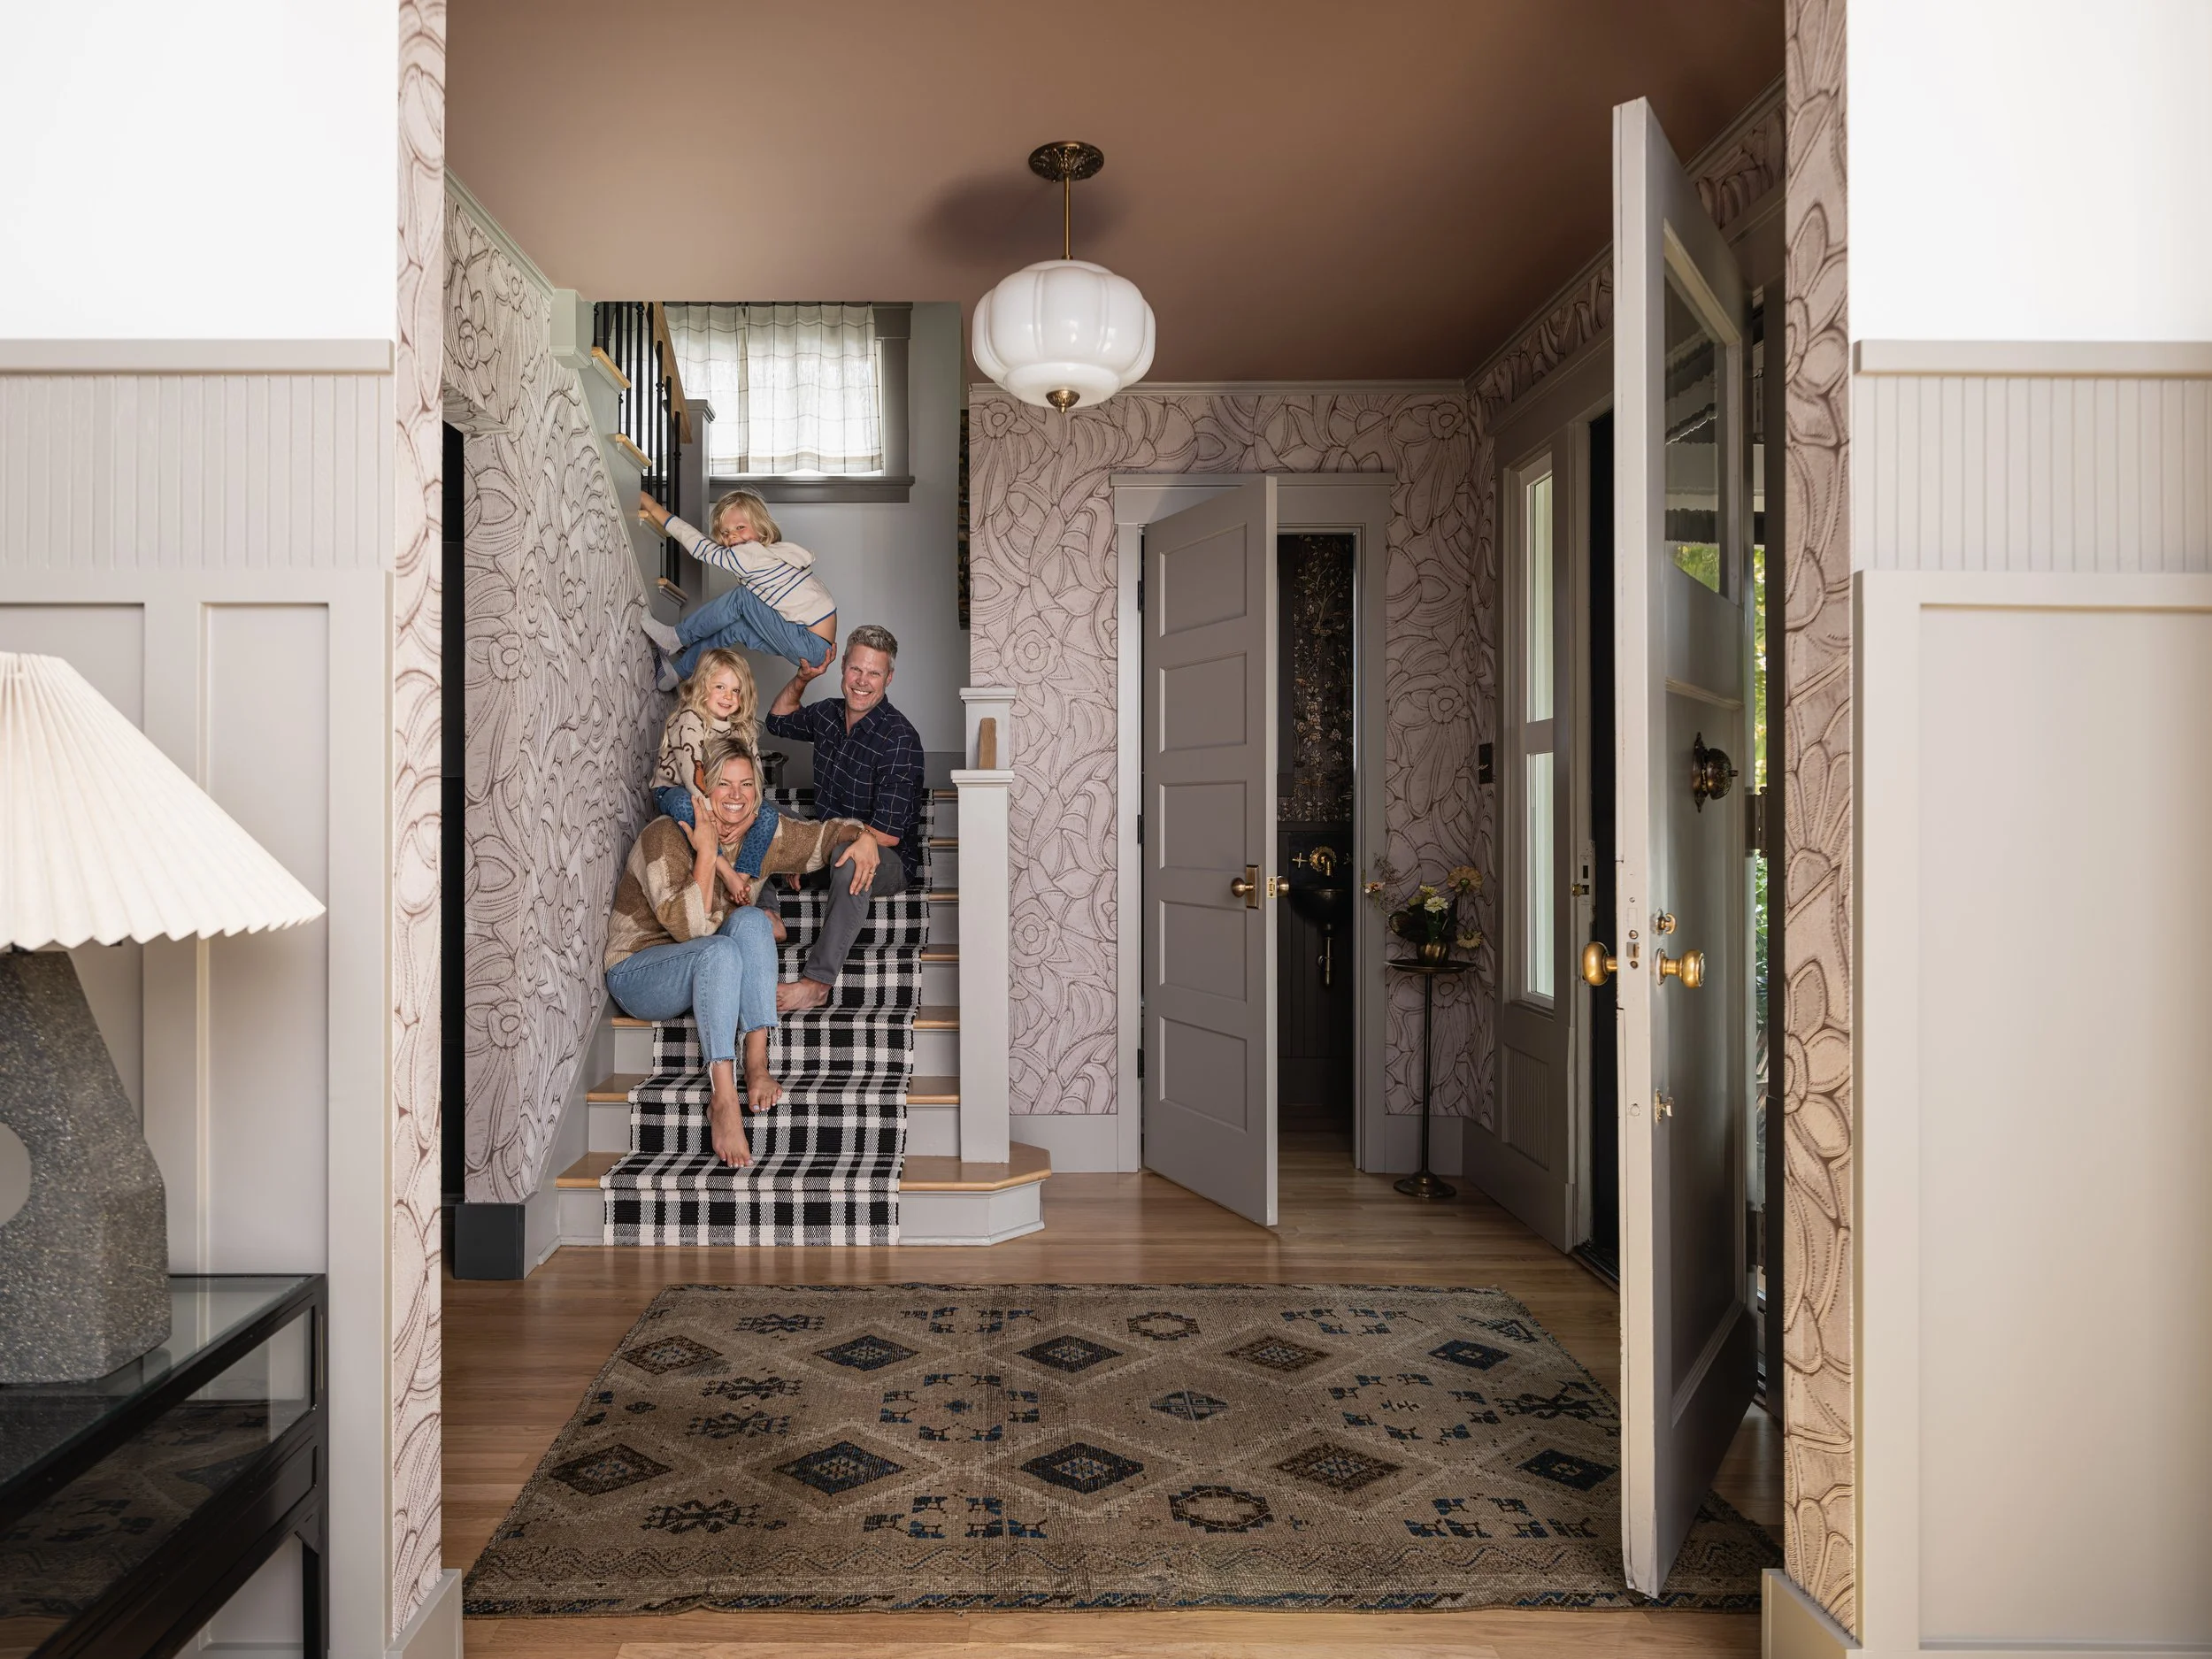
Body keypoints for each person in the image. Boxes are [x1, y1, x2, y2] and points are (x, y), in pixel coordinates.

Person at [603, 741, 881, 1166]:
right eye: (724, 785)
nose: (736, 795)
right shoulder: (662, 837)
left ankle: (756, 1061)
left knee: (751, 921)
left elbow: (821, 837)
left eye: (746, 784)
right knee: (718, 950)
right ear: (704, 792)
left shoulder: (758, 836)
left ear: (758, 794)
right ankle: (724, 1098)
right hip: (639, 970)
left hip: (705, 961)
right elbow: (690, 928)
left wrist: (860, 837)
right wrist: (708, 852)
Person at [763, 624, 923, 1014]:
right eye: (856, 669)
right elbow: (778, 720)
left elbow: (884, 834)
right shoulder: (828, 715)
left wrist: (816, 851)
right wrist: (802, 678)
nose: (863, 681)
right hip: (828, 842)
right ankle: (767, 914)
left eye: (874, 672)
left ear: (889, 677)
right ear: (843, 669)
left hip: (886, 860)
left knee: (850, 856)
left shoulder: (900, 737)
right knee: (757, 813)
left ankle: (817, 983)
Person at [636, 488, 838, 690]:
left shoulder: (751, 555)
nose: (732, 536)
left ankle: (675, 637)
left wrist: (654, 507)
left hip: (810, 642)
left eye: (740, 527)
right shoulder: (770, 554)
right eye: (725, 533)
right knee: (734, 628)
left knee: (743, 598)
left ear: (761, 528)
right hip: (813, 647)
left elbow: (700, 546)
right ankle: (676, 674)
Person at [648, 648, 757, 827]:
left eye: (736, 690)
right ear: (702, 686)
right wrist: (710, 814)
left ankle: (745, 857)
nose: (728, 696)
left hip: (717, 791)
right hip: (675, 788)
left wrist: (753, 813)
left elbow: (755, 772)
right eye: (720, 687)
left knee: (767, 816)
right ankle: (717, 855)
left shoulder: (742, 726)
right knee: (689, 808)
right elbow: (692, 773)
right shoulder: (689, 719)